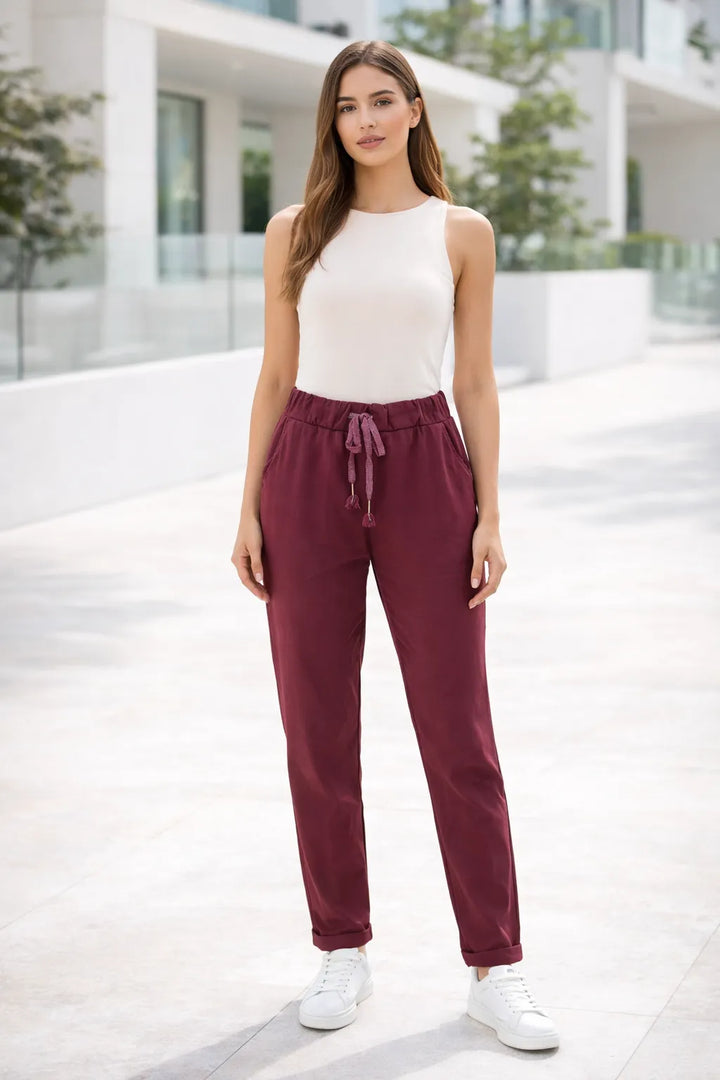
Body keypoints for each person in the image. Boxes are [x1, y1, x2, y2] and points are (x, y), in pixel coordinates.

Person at [231, 39, 559, 1053]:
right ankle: (342, 948)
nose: (364, 119)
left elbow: (476, 382)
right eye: (346, 105)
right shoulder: (296, 230)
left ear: (415, 111)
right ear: (331, 123)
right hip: (307, 465)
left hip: (426, 465)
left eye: (382, 100)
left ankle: (495, 967)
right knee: (316, 727)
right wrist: (248, 507)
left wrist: (490, 512)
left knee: (459, 732)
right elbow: (277, 376)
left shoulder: (462, 232)